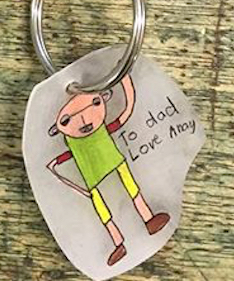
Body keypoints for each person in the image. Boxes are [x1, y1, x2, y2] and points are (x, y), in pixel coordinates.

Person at [46, 75, 170, 267]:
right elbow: (70, 154)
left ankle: (148, 219)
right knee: (104, 206)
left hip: (114, 163)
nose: (84, 119)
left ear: (103, 98)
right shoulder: (73, 142)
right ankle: (118, 242)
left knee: (131, 189)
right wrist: (56, 163)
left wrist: (126, 83)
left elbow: (126, 112)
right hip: (93, 176)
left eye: (95, 103)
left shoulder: (99, 129)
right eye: (67, 120)